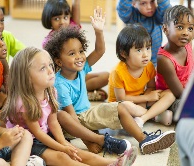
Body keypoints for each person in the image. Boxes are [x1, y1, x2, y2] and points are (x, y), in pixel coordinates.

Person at [44, 9, 176, 155]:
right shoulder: (60, 84)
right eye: (72, 53)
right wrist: (88, 142)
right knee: (62, 115)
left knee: (120, 107)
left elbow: (99, 51)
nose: (80, 57)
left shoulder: (80, 69)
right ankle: (103, 138)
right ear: (58, 61)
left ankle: (144, 139)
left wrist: (99, 31)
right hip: (73, 124)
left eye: (81, 51)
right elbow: (73, 118)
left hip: (87, 114)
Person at [1, 46, 138, 166]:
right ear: (26, 77)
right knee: (63, 158)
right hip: (26, 142)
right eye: (43, 68)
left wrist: (64, 143)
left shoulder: (51, 91)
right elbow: (37, 134)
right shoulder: (25, 103)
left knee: (75, 151)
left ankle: (113, 164)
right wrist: (62, 148)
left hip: (45, 134)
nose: (50, 71)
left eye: (50, 65)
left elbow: (53, 121)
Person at [108, 23, 175, 127]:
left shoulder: (149, 66)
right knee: (125, 106)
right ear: (124, 53)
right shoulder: (118, 72)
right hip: (120, 105)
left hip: (140, 99)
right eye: (139, 50)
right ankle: (154, 115)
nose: (145, 54)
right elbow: (122, 98)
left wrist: (146, 97)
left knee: (170, 94)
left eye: (148, 48)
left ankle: (142, 118)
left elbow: (151, 87)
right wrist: (146, 98)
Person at [42, 0, 109, 101]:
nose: (62, 22)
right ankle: (83, 94)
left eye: (65, 17)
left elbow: (99, 51)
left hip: (77, 74)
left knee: (107, 76)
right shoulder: (48, 42)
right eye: (56, 18)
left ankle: (81, 93)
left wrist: (99, 31)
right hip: (62, 78)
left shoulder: (73, 30)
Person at [156, 5, 194, 117]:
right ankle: (160, 113)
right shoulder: (164, 59)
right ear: (165, 29)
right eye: (180, 27)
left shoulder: (188, 45)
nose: (186, 33)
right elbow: (179, 93)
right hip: (172, 97)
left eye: (190, 28)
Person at [117, 0, 171, 66]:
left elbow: (167, 10)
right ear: (134, 3)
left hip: (154, 60)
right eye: (143, 3)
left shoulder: (158, 16)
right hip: (134, 62)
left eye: (152, 1)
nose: (149, 7)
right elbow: (123, 8)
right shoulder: (131, 16)